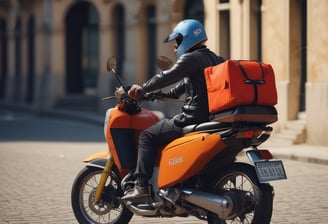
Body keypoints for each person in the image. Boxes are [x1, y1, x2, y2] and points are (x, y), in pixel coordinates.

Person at [122, 19, 225, 202]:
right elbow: (179, 90)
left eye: (176, 41)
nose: (175, 46)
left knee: (147, 136)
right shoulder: (214, 58)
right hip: (209, 117)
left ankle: (141, 187)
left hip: (191, 118)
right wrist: (154, 95)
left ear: (184, 38)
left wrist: (142, 88)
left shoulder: (191, 58)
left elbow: (166, 76)